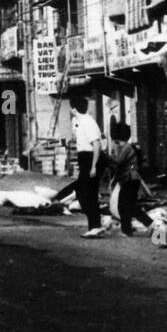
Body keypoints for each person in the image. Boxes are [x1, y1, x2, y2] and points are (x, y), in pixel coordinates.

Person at [69, 95, 105, 238]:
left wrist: (93, 167)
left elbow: (96, 144)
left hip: (91, 159)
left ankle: (95, 225)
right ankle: (94, 226)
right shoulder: (79, 121)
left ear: (74, 109)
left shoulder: (86, 122)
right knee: (86, 193)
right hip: (85, 159)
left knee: (84, 193)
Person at [109, 121, 154, 237]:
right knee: (130, 206)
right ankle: (150, 224)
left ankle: (127, 230)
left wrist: (108, 156)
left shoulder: (127, 148)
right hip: (131, 180)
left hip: (130, 179)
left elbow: (118, 162)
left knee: (123, 206)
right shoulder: (127, 147)